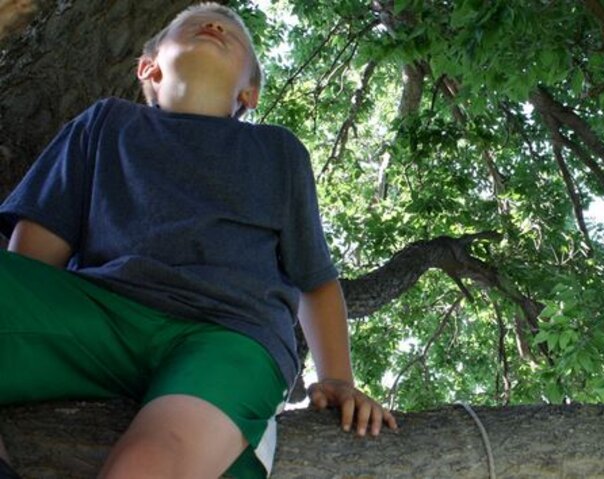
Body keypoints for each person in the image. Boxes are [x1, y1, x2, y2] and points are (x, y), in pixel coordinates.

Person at [0, 3, 396, 478]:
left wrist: (337, 379)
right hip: (102, 314)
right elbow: (33, 263)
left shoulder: (276, 151)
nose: (214, 25)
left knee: (149, 463)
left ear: (248, 93)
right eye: (193, 24)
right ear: (149, 66)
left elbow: (315, 280)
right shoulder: (105, 124)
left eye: (233, 33)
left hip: (227, 335)